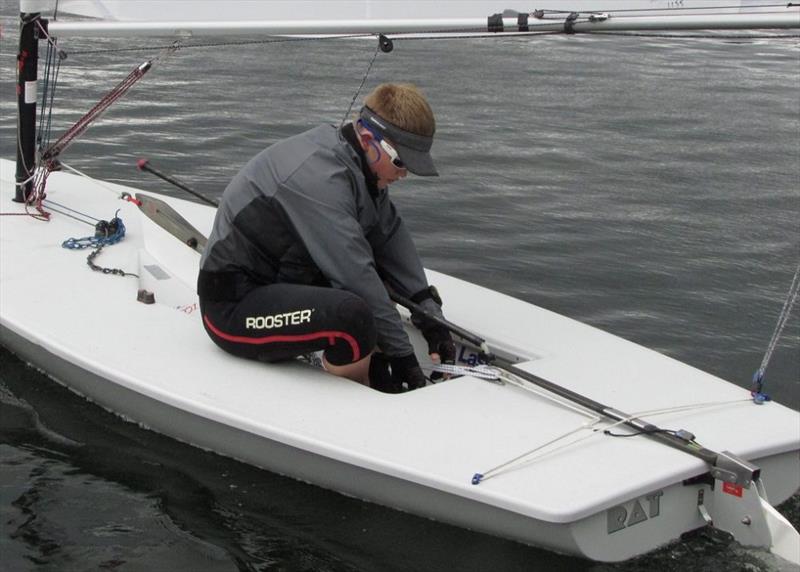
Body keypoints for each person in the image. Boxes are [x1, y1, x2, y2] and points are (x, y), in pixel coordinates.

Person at [197, 83, 455, 393]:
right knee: (355, 317)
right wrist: (404, 358)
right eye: (401, 163)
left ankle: (365, 365)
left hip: (284, 281)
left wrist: (431, 319)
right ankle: (357, 399)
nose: (404, 175)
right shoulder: (319, 178)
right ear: (369, 141)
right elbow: (355, 275)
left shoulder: (359, 168)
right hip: (233, 306)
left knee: (380, 290)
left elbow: (390, 243)